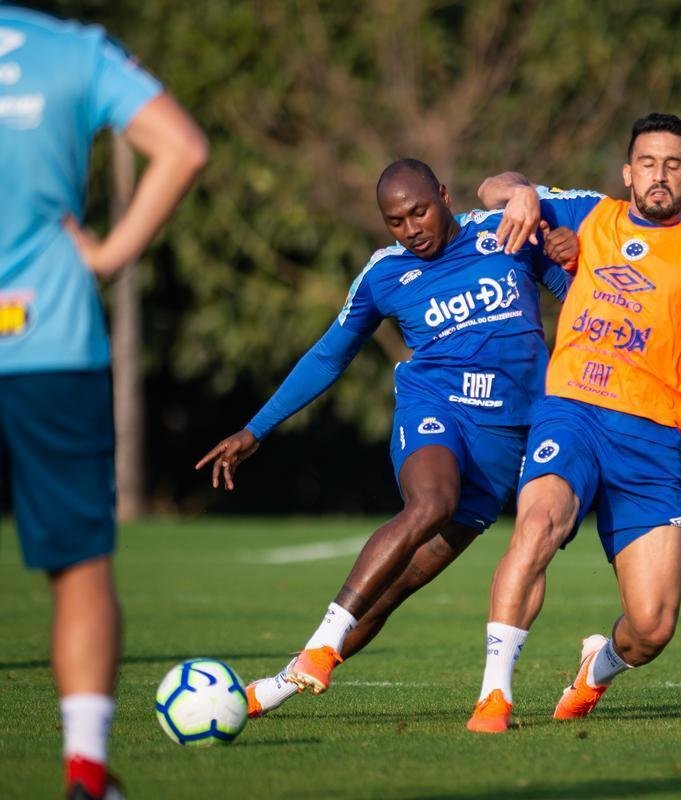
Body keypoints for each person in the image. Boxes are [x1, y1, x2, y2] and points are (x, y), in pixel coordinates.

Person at [196, 159, 577, 717]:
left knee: (393, 590)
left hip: (507, 439)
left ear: (444, 196)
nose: (410, 228)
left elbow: (584, 297)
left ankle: (280, 685)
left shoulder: (504, 233)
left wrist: (573, 257)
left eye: (419, 211)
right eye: (395, 220)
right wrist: (257, 428)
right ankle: (325, 642)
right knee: (430, 502)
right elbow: (329, 354)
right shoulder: (383, 274)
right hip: (436, 411)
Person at [463, 112, 681, 734]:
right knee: (537, 526)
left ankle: (597, 668)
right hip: (573, 411)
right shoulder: (592, 212)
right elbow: (490, 187)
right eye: (648, 163)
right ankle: (494, 695)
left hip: (649, 439)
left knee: (652, 628)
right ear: (627, 171)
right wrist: (525, 192)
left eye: (673, 165)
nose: (659, 175)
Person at [0, 8, 208, 799]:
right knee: (80, 569)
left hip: (52, 349)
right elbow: (183, 148)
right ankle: (85, 773)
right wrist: (112, 255)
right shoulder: (71, 51)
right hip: (49, 336)